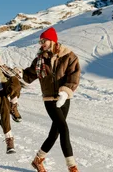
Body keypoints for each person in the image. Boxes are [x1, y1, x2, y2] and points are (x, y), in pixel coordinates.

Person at [21, 27, 81, 172]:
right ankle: (72, 166)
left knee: (55, 132)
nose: (41, 44)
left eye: (44, 41)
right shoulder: (40, 60)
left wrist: (66, 92)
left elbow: (74, 75)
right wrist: (17, 73)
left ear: (52, 40)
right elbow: (28, 76)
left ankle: (38, 160)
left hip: (64, 98)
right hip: (49, 99)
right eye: (40, 41)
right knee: (64, 129)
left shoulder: (69, 56)